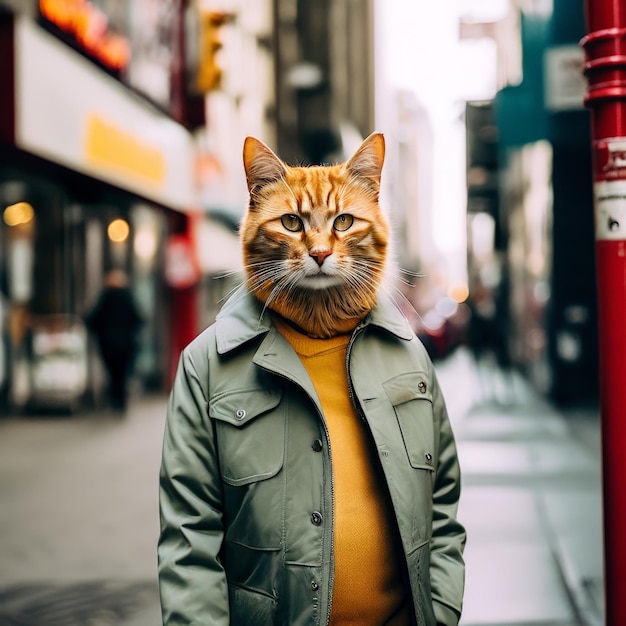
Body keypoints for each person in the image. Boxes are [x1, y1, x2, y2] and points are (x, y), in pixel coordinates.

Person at [158, 133, 465, 625]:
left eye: (344, 222)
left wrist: (442, 612)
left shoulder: (410, 355)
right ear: (255, 211)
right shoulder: (206, 365)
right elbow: (188, 547)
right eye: (292, 224)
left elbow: (443, 511)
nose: (320, 247)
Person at [85, 269, 143, 411]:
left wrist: (100, 333)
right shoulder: (128, 297)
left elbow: (93, 319)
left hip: (108, 343)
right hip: (126, 343)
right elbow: (139, 318)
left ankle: (115, 399)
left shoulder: (105, 298)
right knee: (122, 373)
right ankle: (121, 400)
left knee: (112, 372)